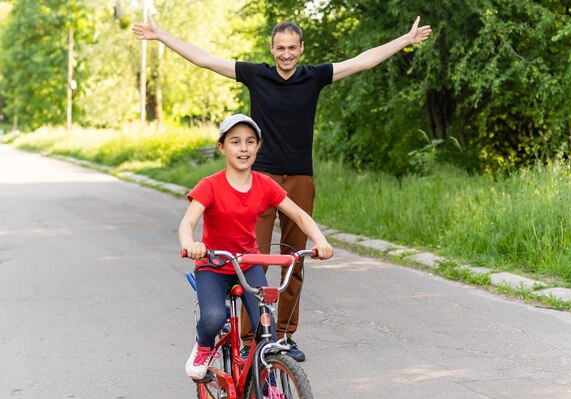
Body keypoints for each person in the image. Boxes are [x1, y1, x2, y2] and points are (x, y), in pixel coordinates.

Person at [135, 15, 432, 362]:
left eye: (292, 48)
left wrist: (404, 40)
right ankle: (248, 338)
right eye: (280, 48)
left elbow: (363, 61)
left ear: (301, 48)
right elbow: (206, 59)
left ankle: (285, 336)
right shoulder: (257, 75)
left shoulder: (314, 77)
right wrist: (161, 35)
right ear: (272, 49)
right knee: (250, 257)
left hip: (300, 177)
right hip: (259, 179)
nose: (286, 54)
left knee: (295, 260)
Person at [178, 114, 332, 385]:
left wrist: (320, 240)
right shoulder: (210, 185)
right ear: (222, 147)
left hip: (248, 263)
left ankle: (272, 388)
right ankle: (203, 348)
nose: (244, 148)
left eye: (250, 142)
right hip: (213, 264)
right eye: (235, 142)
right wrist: (191, 244)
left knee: (267, 329)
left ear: (258, 147)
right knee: (213, 317)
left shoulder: (264, 184)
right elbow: (187, 223)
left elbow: (298, 215)